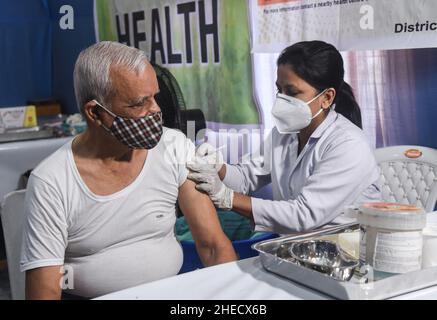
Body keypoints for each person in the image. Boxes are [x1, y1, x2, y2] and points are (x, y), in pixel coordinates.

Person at [20, 41, 237, 300]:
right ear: (96, 112)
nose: (155, 110)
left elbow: (213, 246)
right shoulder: (52, 181)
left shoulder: (174, 147)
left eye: (154, 97)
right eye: (138, 103)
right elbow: (44, 292)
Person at [187, 40, 381, 234]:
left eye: (292, 92)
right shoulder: (285, 132)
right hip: (297, 245)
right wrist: (216, 166)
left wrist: (226, 197)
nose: (282, 99)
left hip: (346, 251)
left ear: (327, 97)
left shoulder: (348, 144)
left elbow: (303, 214)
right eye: (280, 90)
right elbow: (246, 178)